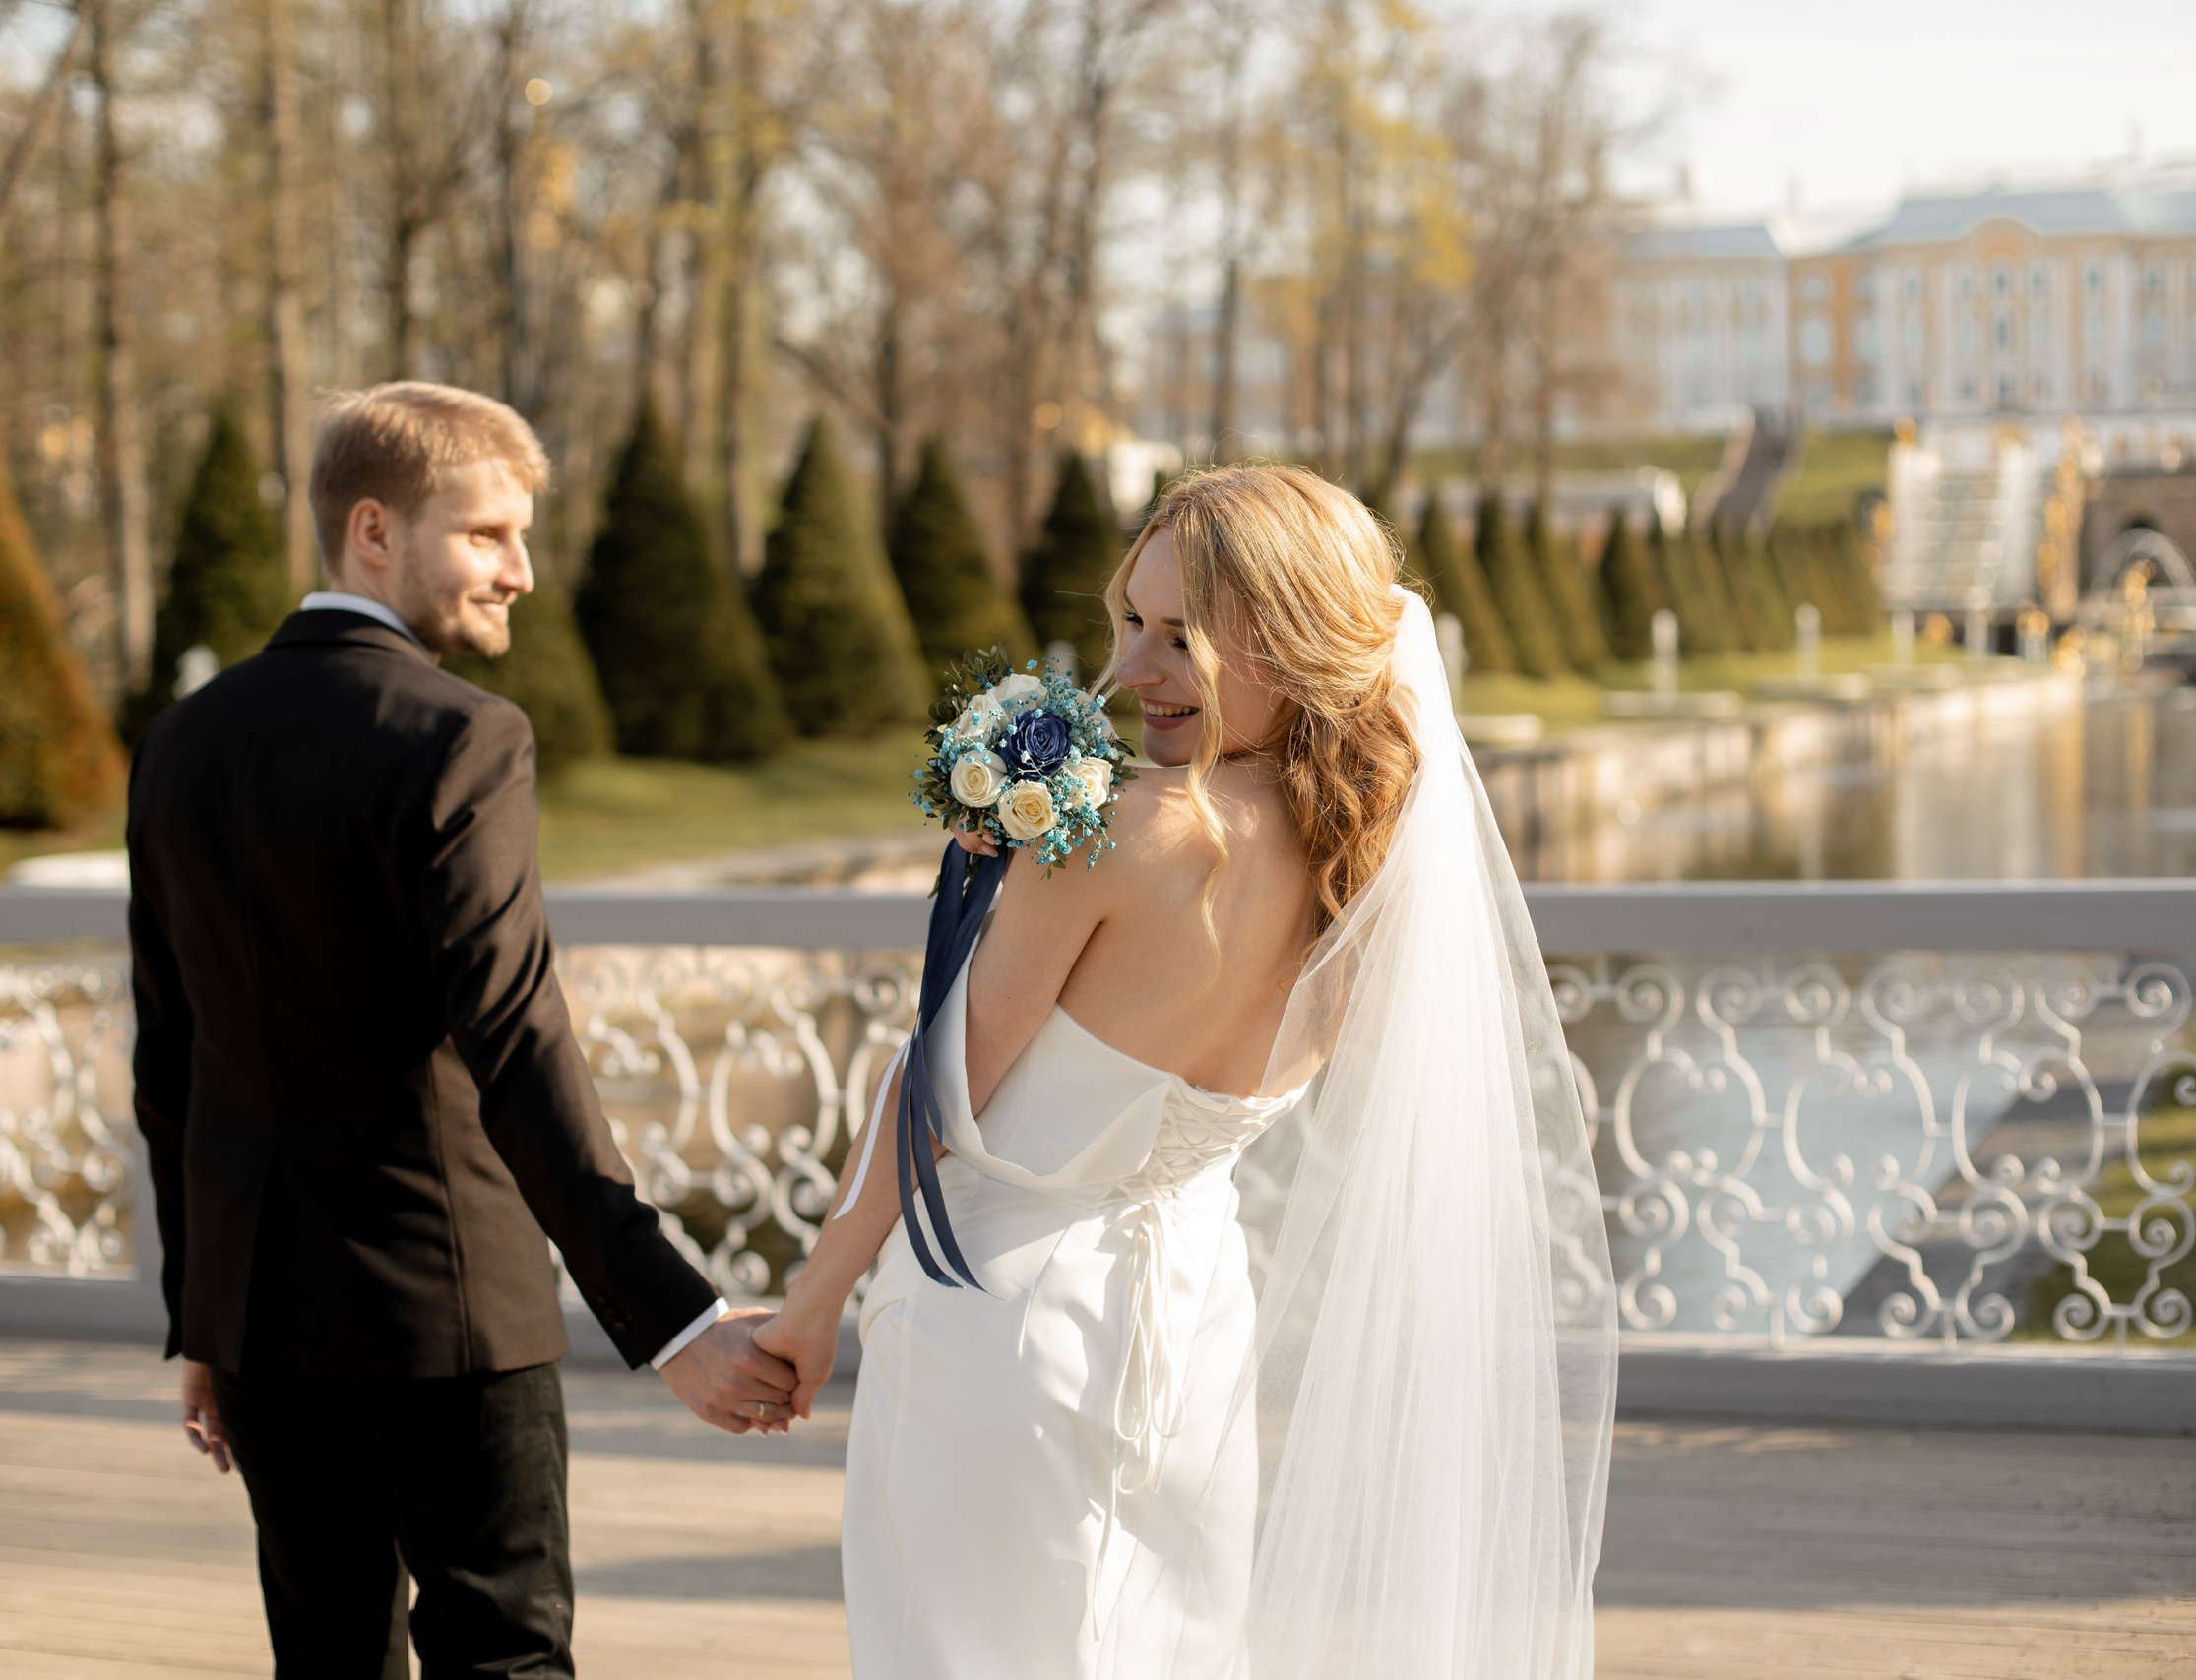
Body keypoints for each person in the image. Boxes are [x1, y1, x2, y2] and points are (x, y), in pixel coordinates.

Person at [757, 464, 1617, 1678]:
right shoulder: (1369, 871)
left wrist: (807, 1310)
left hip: (1000, 1333)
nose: (1135, 672)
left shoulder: (1117, 839)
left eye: (1186, 637)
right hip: (1195, 1338)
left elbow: (936, 1095)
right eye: (1130, 623)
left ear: (1294, 646)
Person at [127, 382, 798, 1679]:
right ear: (373, 530)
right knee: (505, 1657)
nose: (524, 572)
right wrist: (671, 1316)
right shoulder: (461, 737)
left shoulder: (180, 743)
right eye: (488, 533)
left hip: (263, 1317)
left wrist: (204, 1309)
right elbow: (517, 1044)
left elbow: (171, 1059)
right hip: (449, 1315)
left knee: (326, 1657)